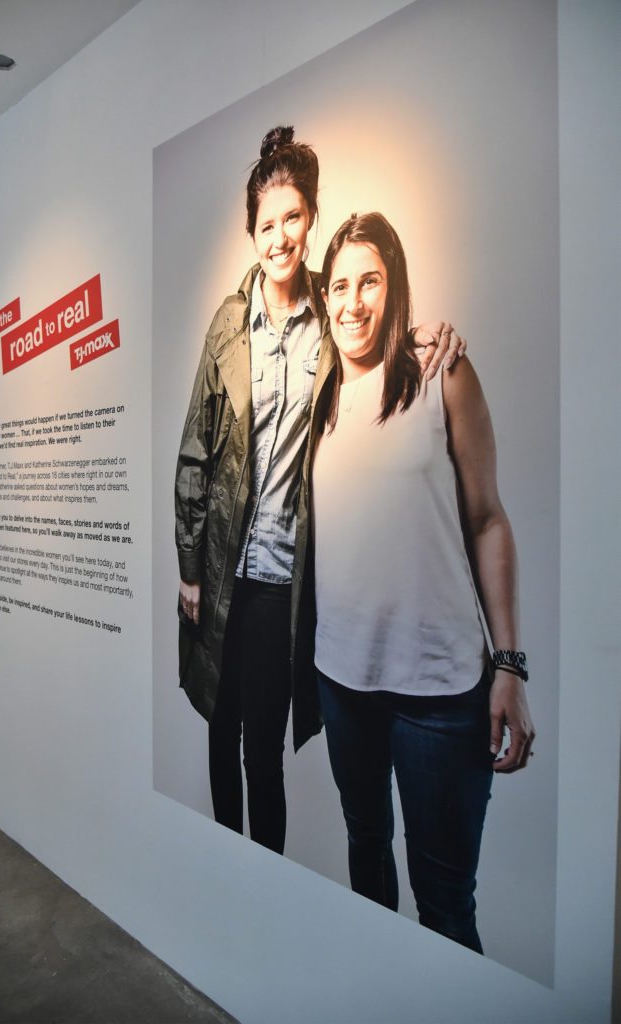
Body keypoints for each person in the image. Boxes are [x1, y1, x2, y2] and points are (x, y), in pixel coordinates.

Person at [174, 128, 465, 855]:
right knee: (220, 723)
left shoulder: (331, 319)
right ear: (251, 232)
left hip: (281, 580)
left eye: (293, 218)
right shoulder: (226, 325)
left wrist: (424, 336)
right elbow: (194, 452)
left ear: (310, 219)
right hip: (217, 566)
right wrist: (187, 571)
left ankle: (260, 887)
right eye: (266, 224)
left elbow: (376, 342)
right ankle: (222, 862)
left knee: (261, 751)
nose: (280, 236)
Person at [310, 211, 535, 951]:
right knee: (367, 864)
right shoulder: (322, 395)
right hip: (342, 683)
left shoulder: (443, 373)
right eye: (339, 284)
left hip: (440, 695)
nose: (352, 302)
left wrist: (509, 665)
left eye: (369, 280)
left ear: (393, 284)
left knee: (443, 909)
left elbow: (489, 521)